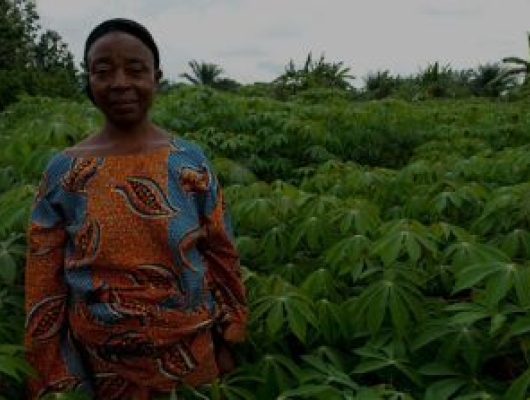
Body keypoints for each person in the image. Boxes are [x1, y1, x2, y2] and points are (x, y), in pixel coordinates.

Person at [24, 18, 247, 399]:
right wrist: (50, 370)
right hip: (99, 359)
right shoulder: (64, 171)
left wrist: (231, 333)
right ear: (89, 81)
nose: (120, 83)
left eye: (135, 70)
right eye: (104, 71)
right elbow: (44, 279)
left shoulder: (188, 160)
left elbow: (221, 251)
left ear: (156, 78)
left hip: (192, 351)